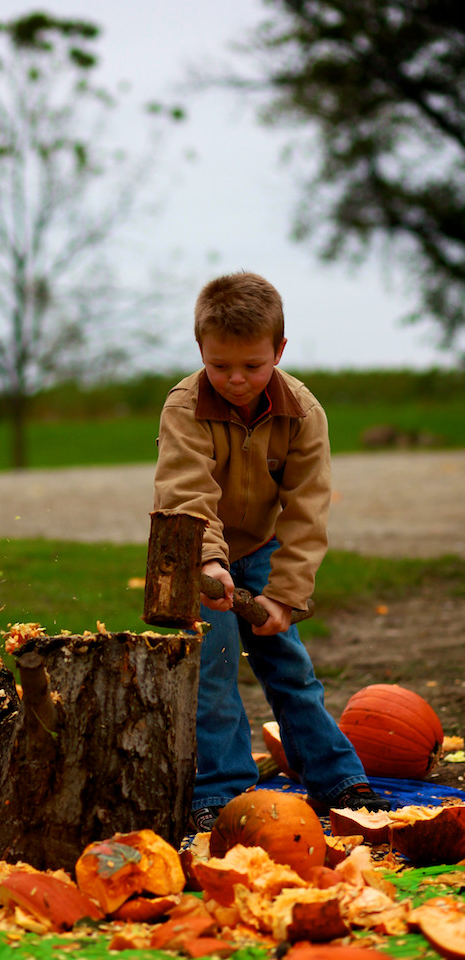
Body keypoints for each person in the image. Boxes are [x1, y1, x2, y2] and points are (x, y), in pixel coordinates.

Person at [153, 271, 391, 832]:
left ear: (280, 350)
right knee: (211, 675)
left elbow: (307, 511)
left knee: (290, 667)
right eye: (220, 365)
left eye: (252, 366)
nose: (236, 379)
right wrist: (207, 560)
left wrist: (284, 594)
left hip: (261, 549)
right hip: (194, 550)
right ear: (200, 351)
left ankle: (338, 779)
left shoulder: (302, 413)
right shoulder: (184, 406)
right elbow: (187, 492)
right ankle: (223, 792)